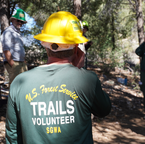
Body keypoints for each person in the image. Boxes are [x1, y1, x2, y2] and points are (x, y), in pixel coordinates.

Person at [5, 11, 111, 144]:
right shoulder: (88, 80)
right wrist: (80, 71)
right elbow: (104, 110)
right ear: (77, 47)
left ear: (44, 43)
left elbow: (12, 136)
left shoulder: (19, 83)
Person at [1, 9, 28, 86]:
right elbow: (6, 49)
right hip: (14, 63)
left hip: (22, 63)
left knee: (23, 86)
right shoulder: (8, 32)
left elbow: (20, 49)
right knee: (15, 87)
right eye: (18, 20)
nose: (20, 23)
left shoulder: (18, 33)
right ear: (12, 20)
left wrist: (24, 61)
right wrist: (12, 64)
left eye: (22, 22)